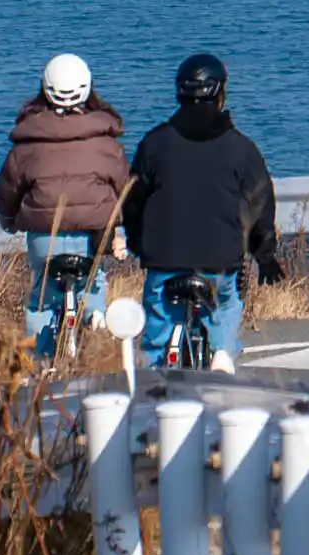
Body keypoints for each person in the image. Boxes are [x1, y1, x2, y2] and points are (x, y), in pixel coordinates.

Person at [116, 51, 280, 370]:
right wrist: (265, 255)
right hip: (218, 261)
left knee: (156, 342)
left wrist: (138, 244)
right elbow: (261, 203)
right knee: (226, 307)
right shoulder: (240, 148)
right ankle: (222, 352)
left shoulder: (155, 144)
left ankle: (155, 382)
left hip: (164, 261)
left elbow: (131, 202)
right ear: (220, 93)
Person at [0, 54, 129, 362]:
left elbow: (7, 192)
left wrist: (10, 219)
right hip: (92, 236)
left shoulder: (28, 141)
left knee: (42, 299)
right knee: (93, 282)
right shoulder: (106, 141)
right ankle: (94, 316)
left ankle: (39, 364)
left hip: (45, 238)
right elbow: (124, 189)